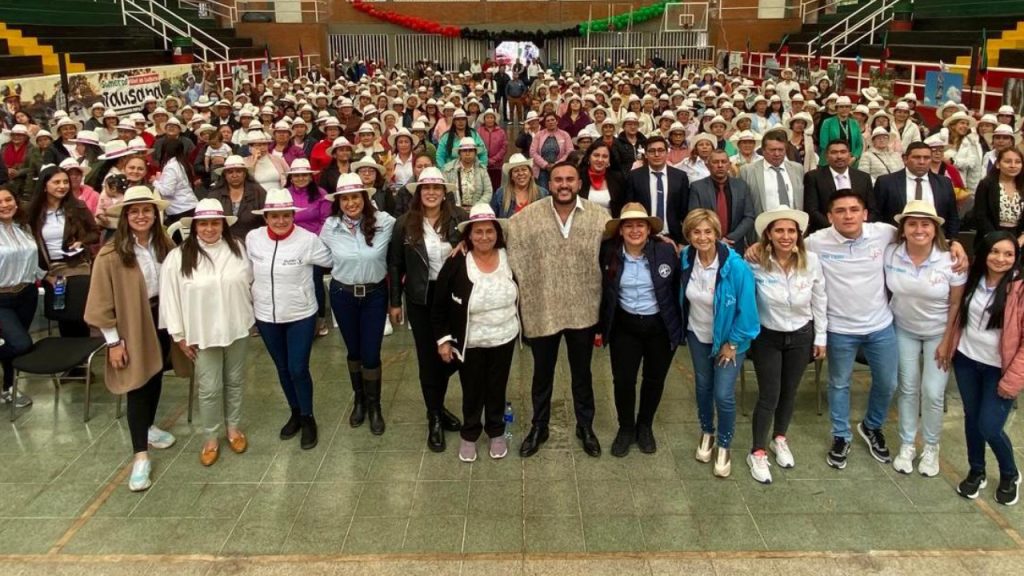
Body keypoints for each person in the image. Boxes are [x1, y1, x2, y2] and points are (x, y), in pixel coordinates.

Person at [507, 161, 611, 458]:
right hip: (543, 307)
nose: (563, 185)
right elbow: (500, 235)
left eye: (569, 180)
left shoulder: (599, 217)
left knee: (582, 373)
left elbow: (622, 245)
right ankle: (539, 426)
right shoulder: (528, 217)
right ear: (548, 184)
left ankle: (585, 426)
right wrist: (465, 242)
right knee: (542, 373)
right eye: (557, 180)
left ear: (579, 183)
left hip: (584, 307)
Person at [84, 187, 177, 492]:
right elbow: (101, 302)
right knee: (137, 384)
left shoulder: (165, 244)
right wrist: (113, 342)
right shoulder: (111, 255)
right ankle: (140, 456)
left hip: (161, 318)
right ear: (125, 216)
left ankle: (149, 426)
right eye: (134, 211)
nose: (141, 216)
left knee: (156, 374)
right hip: (131, 324)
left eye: (146, 210)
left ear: (155, 214)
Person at [802, 190, 901, 470]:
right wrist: (754, 250)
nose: (848, 215)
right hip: (839, 329)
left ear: (865, 213)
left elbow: (923, 239)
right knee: (839, 384)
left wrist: (952, 246)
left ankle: (871, 426)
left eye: (854, 210)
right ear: (830, 216)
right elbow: (783, 247)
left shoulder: (884, 234)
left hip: (880, 326)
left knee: (888, 382)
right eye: (841, 211)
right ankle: (841, 435)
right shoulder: (815, 242)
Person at [160, 198, 254, 467]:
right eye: (204, 223)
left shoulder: (237, 248)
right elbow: (170, 298)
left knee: (235, 380)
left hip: (236, 327)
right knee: (210, 387)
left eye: (215, 223)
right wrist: (178, 335)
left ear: (223, 225)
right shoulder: (178, 257)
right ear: (195, 226)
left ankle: (233, 428)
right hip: (201, 333)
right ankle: (211, 437)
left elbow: (248, 282)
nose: (210, 229)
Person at [432, 204, 520, 462]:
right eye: (478, 232)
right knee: (471, 389)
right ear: (468, 236)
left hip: (504, 337)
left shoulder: (509, 256)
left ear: (498, 233)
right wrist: (443, 340)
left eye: (489, 231)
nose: (484, 237)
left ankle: (496, 431)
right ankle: (469, 434)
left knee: (497, 387)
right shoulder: (457, 261)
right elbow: (439, 306)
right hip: (470, 341)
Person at [884, 201, 966, 477]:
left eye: (925, 224)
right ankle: (908, 443)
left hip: (938, 333)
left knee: (932, 392)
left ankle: (931, 447)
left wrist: (946, 341)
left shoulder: (951, 259)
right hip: (903, 329)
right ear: (903, 229)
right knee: (907, 388)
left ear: (935, 229)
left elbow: (956, 304)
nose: (919, 229)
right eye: (912, 224)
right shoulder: (892, 253)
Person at [247, 189, 333, 450]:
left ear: (293, 216)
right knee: (282, 368)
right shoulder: (253, 239)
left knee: (297, 368)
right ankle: (294, 412)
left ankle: (308, 417)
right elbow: (246, 272)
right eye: (275, 216)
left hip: (300, 314)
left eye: (286, 215)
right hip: (266, 316)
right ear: (266, 217)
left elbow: (331, 260)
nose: (281, 221)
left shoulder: (307, 240)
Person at [747, 205, 826, 484]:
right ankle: (757, 450)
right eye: (779, 230)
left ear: (798, 234)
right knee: (769, 394)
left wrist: (821, 338)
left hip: (801, 335)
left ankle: (779, 438)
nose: (785, 235)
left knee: (789, 392)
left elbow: (820, 299)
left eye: (791, 230)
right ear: (768, 234)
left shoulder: (811, 260)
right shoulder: (755, 261)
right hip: (767, 336)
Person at [389, 167, 466, 451]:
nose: (431, 192)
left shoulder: (460, 219)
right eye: (426, 187)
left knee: (451, 356)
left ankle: (436, 403)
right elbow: (395, 264)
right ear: (418, 193)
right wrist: (395, 301)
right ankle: (435, 414)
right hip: (421, 297)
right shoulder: (404, 224)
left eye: (436, 187)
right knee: (428, 357)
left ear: (444, 192)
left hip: (452, 297)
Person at [598, 203, 682, 457]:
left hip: (659, 325)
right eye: (629, 225)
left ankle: (645, 426)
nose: (635, 230)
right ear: (620, 230)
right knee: (623, 380)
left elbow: (679, 284)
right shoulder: (608, 252)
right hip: (625, 325)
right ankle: (626, 428)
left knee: (654, 379)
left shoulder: (666, 252)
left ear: (649, 229)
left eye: (640, 225)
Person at [681, 209, 759, 478]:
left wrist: (733, 343)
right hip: (697, 335)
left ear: (716, 233)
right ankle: (707, 432)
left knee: (723, 393)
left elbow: (748, 313)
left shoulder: (736, 267)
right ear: (689, 235)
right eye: (696, 232)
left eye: (708, 231)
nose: (702, 237)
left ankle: (724, 443)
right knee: (703, 387)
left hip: (730, 341)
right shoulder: (686, 259)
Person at [948, 231, 1024, 505]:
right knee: (972, 419)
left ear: (1016, 258)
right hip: (967, 361)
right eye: (995, 252)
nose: (1000, 259)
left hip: (999, 370)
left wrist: (1013, 380)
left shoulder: (1019, 289)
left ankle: (1009, 472)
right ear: (984, 253)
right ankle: (977, 470)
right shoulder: (972, 279)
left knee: (989, 426)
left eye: (1008, 254)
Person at [320, 173, 396, 435]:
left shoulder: (384, 222)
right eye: (345, 198)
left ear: (364, 197)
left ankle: (375, 406)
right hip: (343, 295)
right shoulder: (330, 226)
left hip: (374, 295)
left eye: (355, 197)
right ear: (338, 201)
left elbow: (407, 238)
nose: (351, 203)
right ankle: (360, 400)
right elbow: (319, 255)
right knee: (354, 351)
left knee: (371, 353)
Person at [27, 165, 99, 337]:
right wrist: (43, 274)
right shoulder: (33, 212)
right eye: (56, 182)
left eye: (65, 182)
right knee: (64, 316)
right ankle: (70, 359)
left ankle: (82, 357)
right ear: (45, 185)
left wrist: (81, 241)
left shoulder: (78, 207)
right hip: (51, 270)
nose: (62, 186)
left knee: (78, 315)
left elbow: (95, 233)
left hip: (77, 265)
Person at [0, 186, 41, 408]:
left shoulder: (23, 227)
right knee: (21, 344)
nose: (5, 205)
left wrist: (47, 277)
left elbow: (31, 259)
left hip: (26, 294)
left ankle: (8, 389)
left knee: (13, 344)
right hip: (1, 299)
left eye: (8, 200)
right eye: (0, 202)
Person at [872, 141, 961, 239]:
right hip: (896, 241)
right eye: (917, 157)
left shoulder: (944, 183)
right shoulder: (886, 182)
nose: (922, 162)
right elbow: (876, 216)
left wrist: (953, 241)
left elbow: (952, 216)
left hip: (935, 242)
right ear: (905, 159)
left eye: (926, 158)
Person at [285, 158, 333, 337]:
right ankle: (294, 319)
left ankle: (319, 319)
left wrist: (312, 242)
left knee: (314, 281)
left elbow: (325, 221)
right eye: (296, 175)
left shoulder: (321, 194)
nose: (300, 178)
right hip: (289, 244)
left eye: (304, 174)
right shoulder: (285, 194)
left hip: (315, 245)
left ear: (311, 176)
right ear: (291, 177)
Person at [688, 149, 756, 254]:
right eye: (715, 162)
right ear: (708, 166)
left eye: (724, 162)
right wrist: (714, 239)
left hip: (734, 244)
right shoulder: (697, 187)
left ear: (729, 165)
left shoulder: (741, 186)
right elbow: (694, 218)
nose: (720, 165)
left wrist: (730, 238)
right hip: (706, 244)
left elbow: (749, 216)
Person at [625, 135, 689, 243]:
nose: (656, 154)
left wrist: (683, 241)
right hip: (644, 237)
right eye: (651, 151)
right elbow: (630, 209)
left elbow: (684, 211)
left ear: (667, 153)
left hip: (673, 237)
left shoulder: (680, 177)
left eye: (660, 150)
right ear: (645, 154)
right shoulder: (634, 177)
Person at [803, 140, 874, 232]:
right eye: (834, 152)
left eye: (843, 152)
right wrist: (835, 229)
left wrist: (858, 227)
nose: (839, 156)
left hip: (859, 233)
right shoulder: (813, 177)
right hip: (826, 233)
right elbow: (812, 210)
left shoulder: (863, 177)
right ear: (826, 156)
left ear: (849, 155)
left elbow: (873, 209)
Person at [739, 128, 805, 224]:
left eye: (780, 150)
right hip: (762, 228)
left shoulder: (797, 169)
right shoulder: (747, 171)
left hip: (793, 227)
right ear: (763, 150)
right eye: (772, 150)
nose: (777, 154)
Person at [206, 155, 268, 239]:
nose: (234, 175)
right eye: (230, 172)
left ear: (245, 173)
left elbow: (267, 219)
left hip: (253, 241)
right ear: (224, 175)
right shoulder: (214, 194)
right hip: (222, 241)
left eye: (238, 171)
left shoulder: (258, 192)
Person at [973, 148, 1024, 247]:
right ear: (998, 164)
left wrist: (1019, 242)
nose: (1013, 165)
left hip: (1019, 238)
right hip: (991, 237)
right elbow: (980, 215)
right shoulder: (986, 185)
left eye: (1017, 162)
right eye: (1008, 161)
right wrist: (997, 241)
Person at [153, 139, 199, 226]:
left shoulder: (171, 167)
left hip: (180, 210)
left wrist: (154, 182)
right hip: (189, 207)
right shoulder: (182, 163)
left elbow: (167, 191)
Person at [490, 153, 548, 218]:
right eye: (516, 171)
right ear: (511, 176)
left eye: (524, 169)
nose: (520, 173)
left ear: (531, 173)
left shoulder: (542, 193)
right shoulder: (501, 194)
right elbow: (493, 219)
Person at [578, 141, 627, 216]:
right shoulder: (578, 177)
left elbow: (624, 207)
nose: (600, 160)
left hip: (610, 224)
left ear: (609, 160)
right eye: (596, 155)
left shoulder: (618, 178)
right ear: (589, 157)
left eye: (605, 156)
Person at [442, 137, 492, 209]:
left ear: (475, 153)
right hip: (454, 210)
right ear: (459, 153)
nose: (467, 154)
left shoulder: (482, 169)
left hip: (477, 210)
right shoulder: (448, 169)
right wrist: (455, 208)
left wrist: (476, 207)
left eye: (471, 150)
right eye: (464, 150)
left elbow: (488, 192)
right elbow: (445, 192)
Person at [529, 112, 573, 191]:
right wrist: (545, 165)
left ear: (557, 121)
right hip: (542, 170)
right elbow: (532, 152)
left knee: (558, 191)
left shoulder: (565, 134)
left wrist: (556, 164)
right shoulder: (539, 135)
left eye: (552, 120)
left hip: (560, 168)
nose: (550, 122)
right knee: (543, 193)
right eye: (548, 121)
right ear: (545, 123)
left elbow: (569, 151)